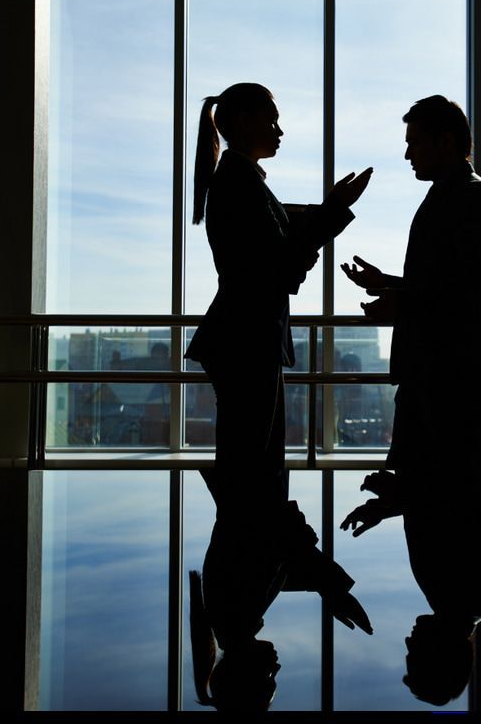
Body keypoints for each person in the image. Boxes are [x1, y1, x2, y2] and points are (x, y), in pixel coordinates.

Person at [184, 83, 373, 708]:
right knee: (252, 465)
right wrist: (335, 210)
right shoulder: (239, 186)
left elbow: (280, 250)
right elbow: (283, 266)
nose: (282, 130)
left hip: (243, 339)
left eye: (265, 680)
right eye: (273, 118)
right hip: (247, 341)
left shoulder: (240, 183)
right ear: (241, 122)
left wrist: (327, 584)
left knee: (250, 464)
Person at [339, 94, 481, 705]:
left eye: (413, 140)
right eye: (417, 657)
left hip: (444, 369)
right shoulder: (457, 595)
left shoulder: (468, 198)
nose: (407, 151)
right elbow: (459, 285)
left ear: (441, 139)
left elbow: (473, 286)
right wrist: (392, 288)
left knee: (445, 454)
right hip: (443, 369)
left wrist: (401, 299)